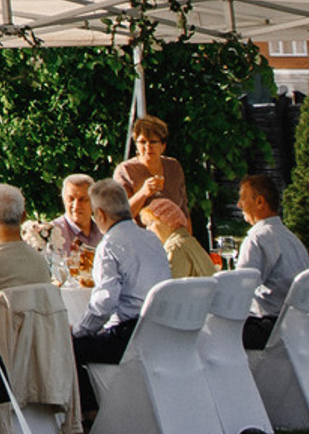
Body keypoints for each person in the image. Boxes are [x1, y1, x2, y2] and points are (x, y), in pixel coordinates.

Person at [72, 176, 173, 410]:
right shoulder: (150, 237)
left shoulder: (109, 245)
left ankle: (92, 413)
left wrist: (78, 332)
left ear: (100, 215)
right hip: (161, 330)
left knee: (69, 348)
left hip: (131, 336)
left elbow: (104, 303)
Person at [233, 171, 309, 351]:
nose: (238, 205)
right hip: (298, 326)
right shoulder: (291, 238)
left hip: (272, 328)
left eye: (243, 199)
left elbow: (239, 291)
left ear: (260, 202)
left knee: (210, 334)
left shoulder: (257, 239)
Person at [114, 116, 187, 220]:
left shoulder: (173, 166)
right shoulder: (125, 170)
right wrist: (143, 193)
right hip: (141, 234)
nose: (148, 147)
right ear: (136, 145)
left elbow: (184, 210)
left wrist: (188, 235)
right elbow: (120, 216)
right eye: (142, 142)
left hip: (173, 233)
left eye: (153, 142)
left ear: (163, 145)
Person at [140, 196, 214, 281]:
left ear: (167, 220)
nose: (147, 229)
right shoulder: (188, 241)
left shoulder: (175, 247)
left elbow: (169, 288)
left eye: (151, 223)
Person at [49, 173, 98, 260]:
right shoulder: (52, 233)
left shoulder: (104, 234)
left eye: (82, 199)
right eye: (70, 199)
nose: (76, 206)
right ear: (64, 201)